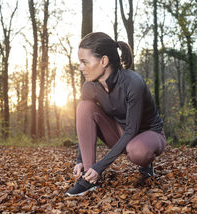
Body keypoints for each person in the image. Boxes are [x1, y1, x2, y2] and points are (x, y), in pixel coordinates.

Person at [65, 32, 166, 196]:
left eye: (84, 62)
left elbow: (132, 131)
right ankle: (88, 180)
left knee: (138, 151)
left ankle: (146, 165)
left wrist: (100, 166)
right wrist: (81, 160)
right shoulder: (90, 87)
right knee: (84, 107)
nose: (80, 67)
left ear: (103, 61)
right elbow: (86, 127)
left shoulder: (133, 83)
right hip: (120, 133)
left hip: (149, 135)